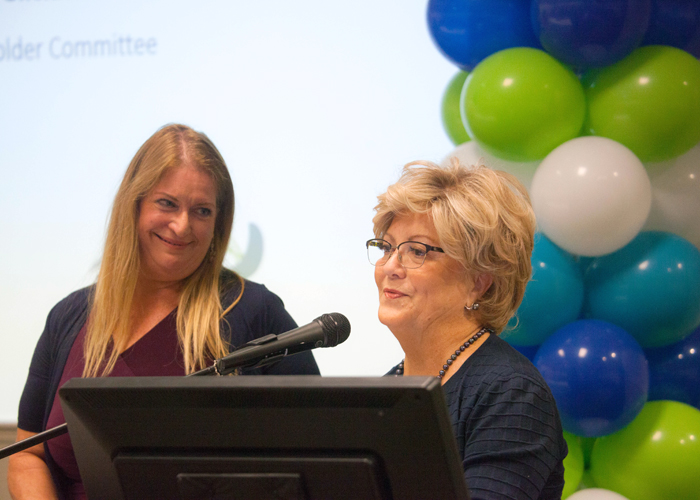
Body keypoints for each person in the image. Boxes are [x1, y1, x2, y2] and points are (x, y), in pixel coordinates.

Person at [8, 124, 319, 499]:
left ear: (218, 223)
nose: (182, 225)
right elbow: (29, 455)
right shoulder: (69, 317)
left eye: (201, 210)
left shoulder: (255, 313)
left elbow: (314, 464)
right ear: (134, 205)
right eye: (167, 203)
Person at [367, 160, 567, 499]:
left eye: (417, 251)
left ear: (479, 283)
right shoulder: (386, 391)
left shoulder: (511, 394)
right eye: (386, 247)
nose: (390, 267)